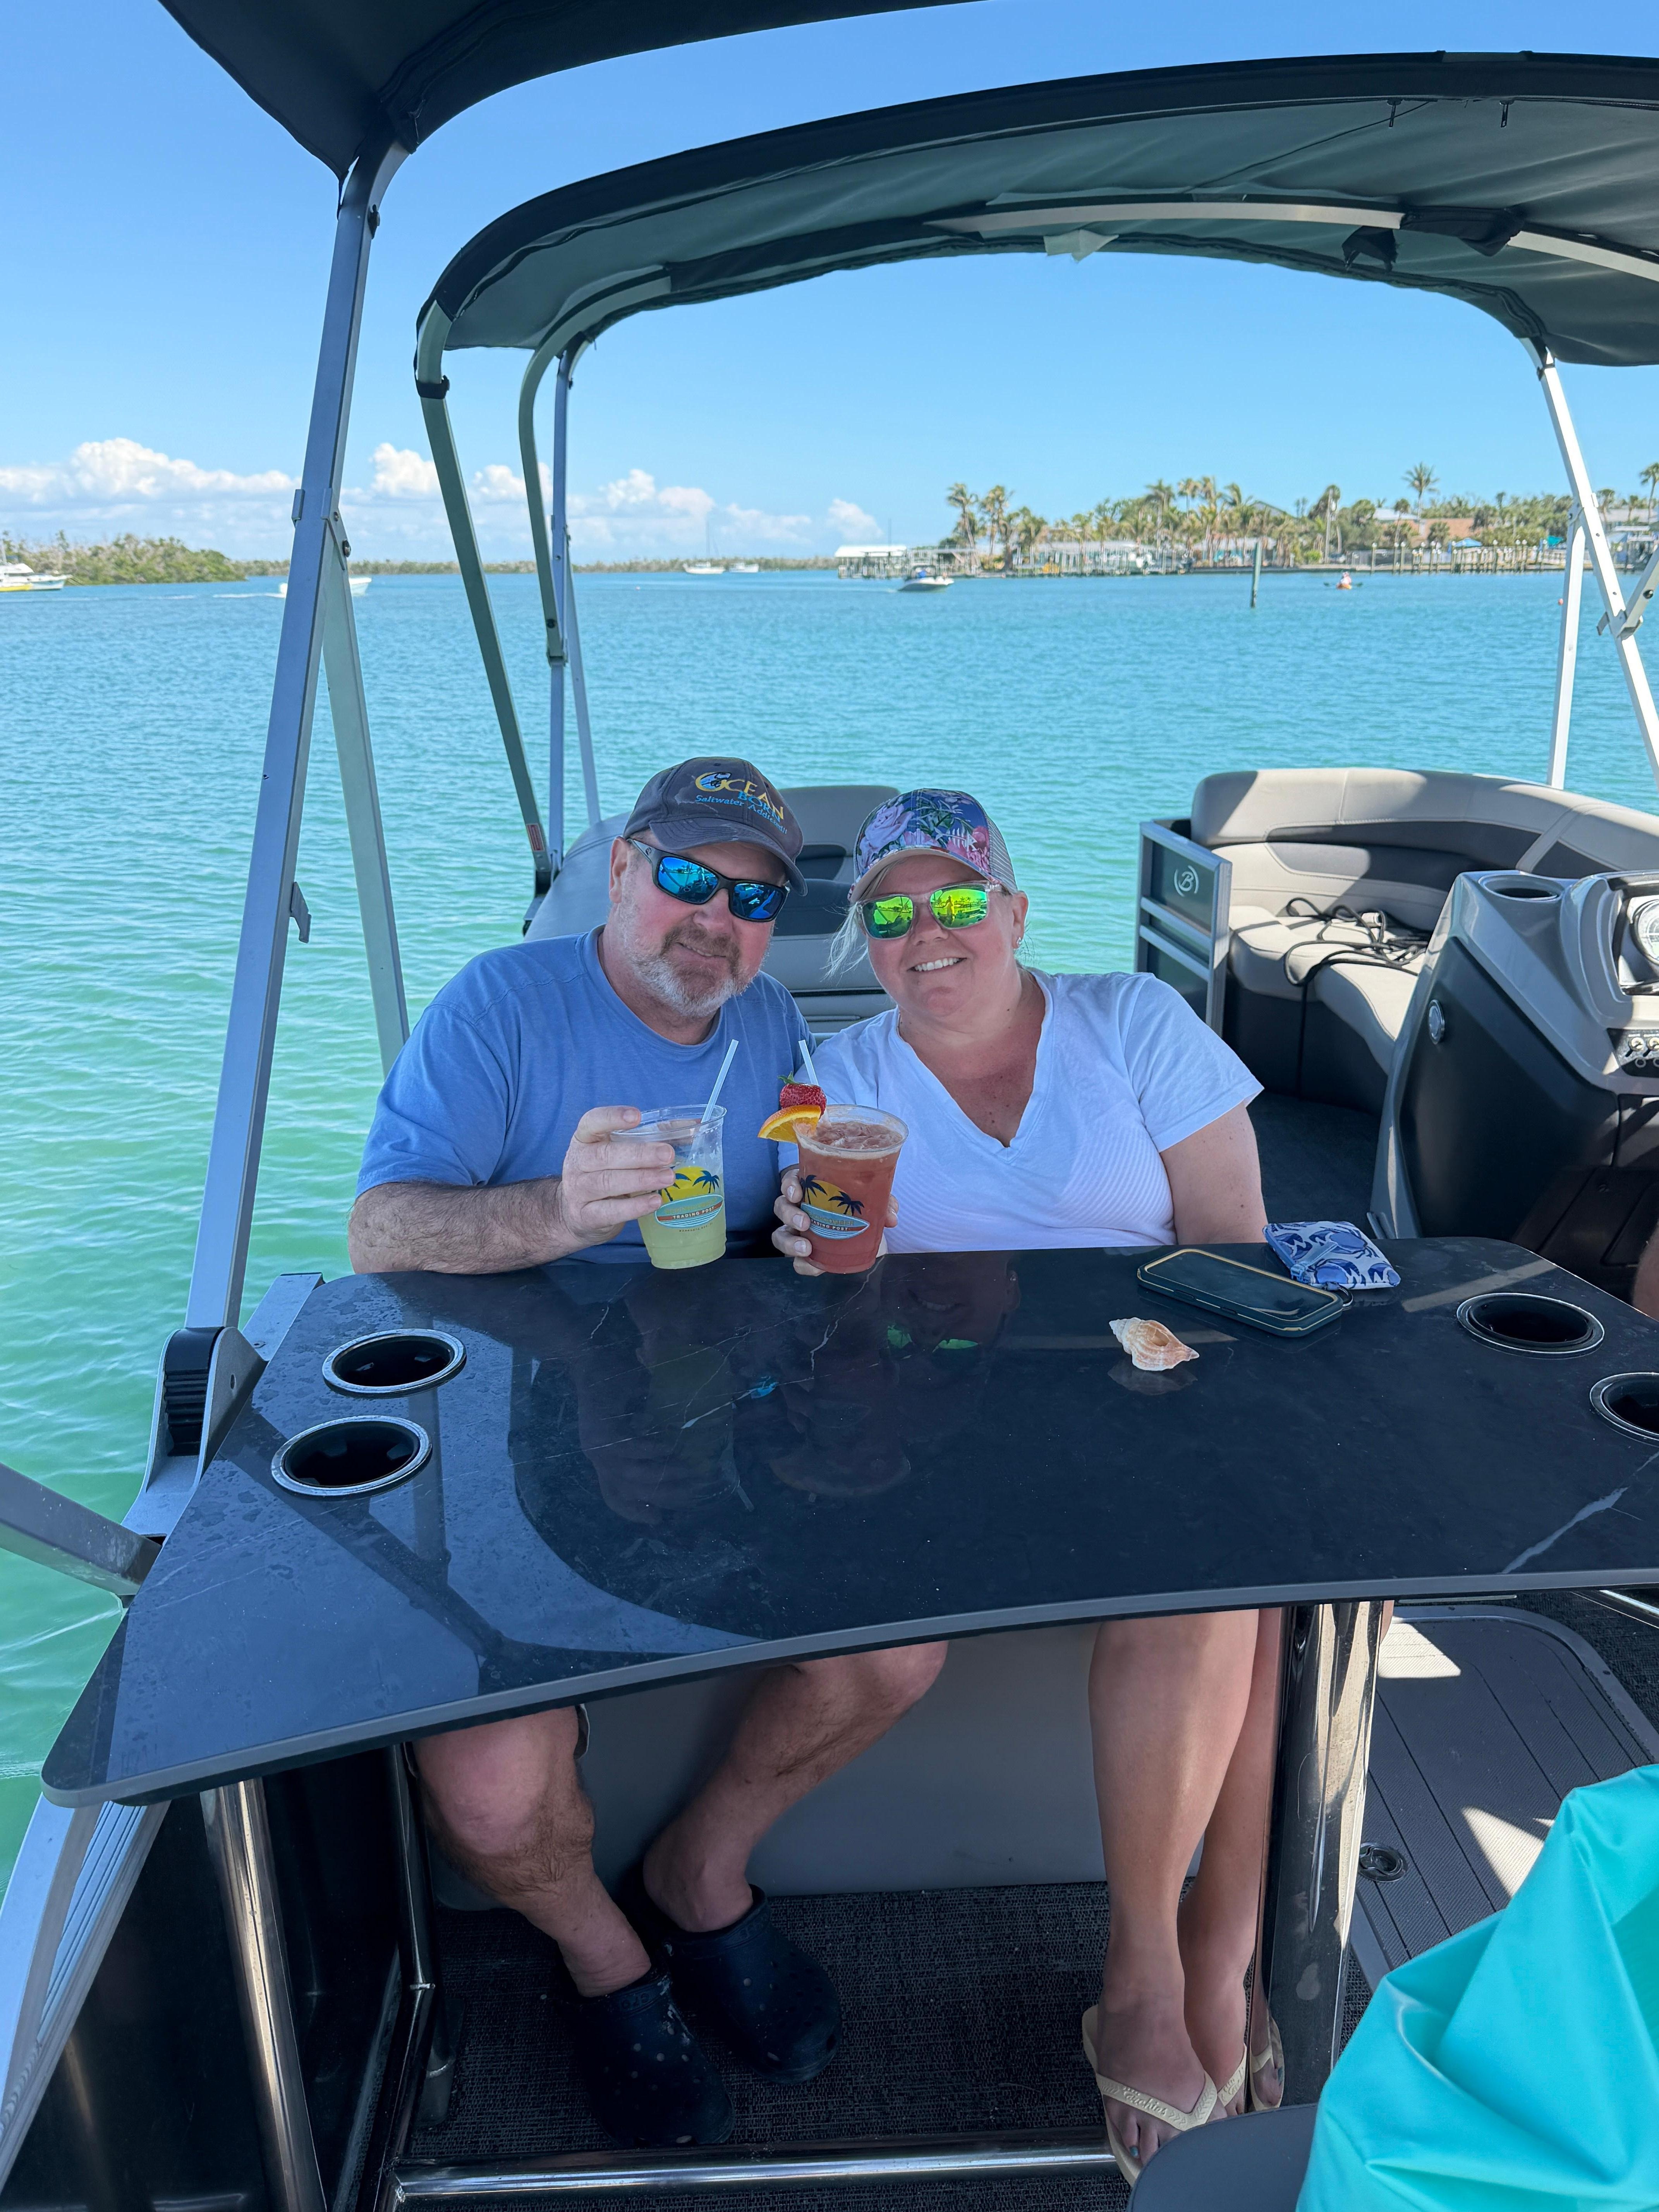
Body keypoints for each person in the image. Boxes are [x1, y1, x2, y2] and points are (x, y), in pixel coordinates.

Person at [350, 757, 946, 2148]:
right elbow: (381, 1234)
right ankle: (602, 1956)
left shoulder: (774, 1018)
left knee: (895, 1652)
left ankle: (699, 1875)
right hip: (519, 1431)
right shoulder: (501, 1005)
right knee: (492, 1795)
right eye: (686, 876)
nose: (716, 918)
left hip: (719, 1408)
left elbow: (790, 1194)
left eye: (756, 897)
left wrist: (812, 1237)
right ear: (621, 872)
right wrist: (554, 1214)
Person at [773, 788, 1278, 2181]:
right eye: (888, 913)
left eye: (952, 901)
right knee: (1237, 1587)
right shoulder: (843, 1083)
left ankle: (1209, 1961)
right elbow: (833, 1298)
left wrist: (1169, 1394)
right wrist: (811, 1250)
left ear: (1010, 909)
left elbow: (1230, 1247)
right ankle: (1145, 1973)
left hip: (1157, 1379)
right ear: (864, 943)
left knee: (1241, 1582)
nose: (924, 935)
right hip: (958, 1416)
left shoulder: (1134, 1024)